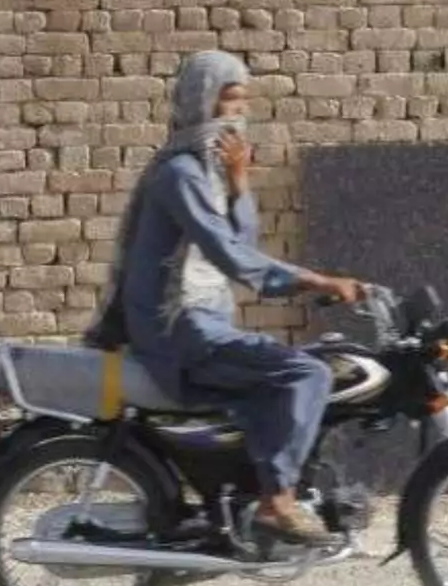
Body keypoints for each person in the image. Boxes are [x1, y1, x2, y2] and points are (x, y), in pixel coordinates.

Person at [84, 49, 369, 547]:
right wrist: (319, 282)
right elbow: (233, 257)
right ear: (202, 103)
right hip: (179, 329)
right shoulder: (180, 175)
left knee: (295, 372)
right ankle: (276, 502)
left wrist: (240, 184)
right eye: (230, 101)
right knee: (308, 373)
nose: (240, 114)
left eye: (244, 103)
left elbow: (241, 244)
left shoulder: (208, 174)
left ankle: (253, 496)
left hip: (203, 322)